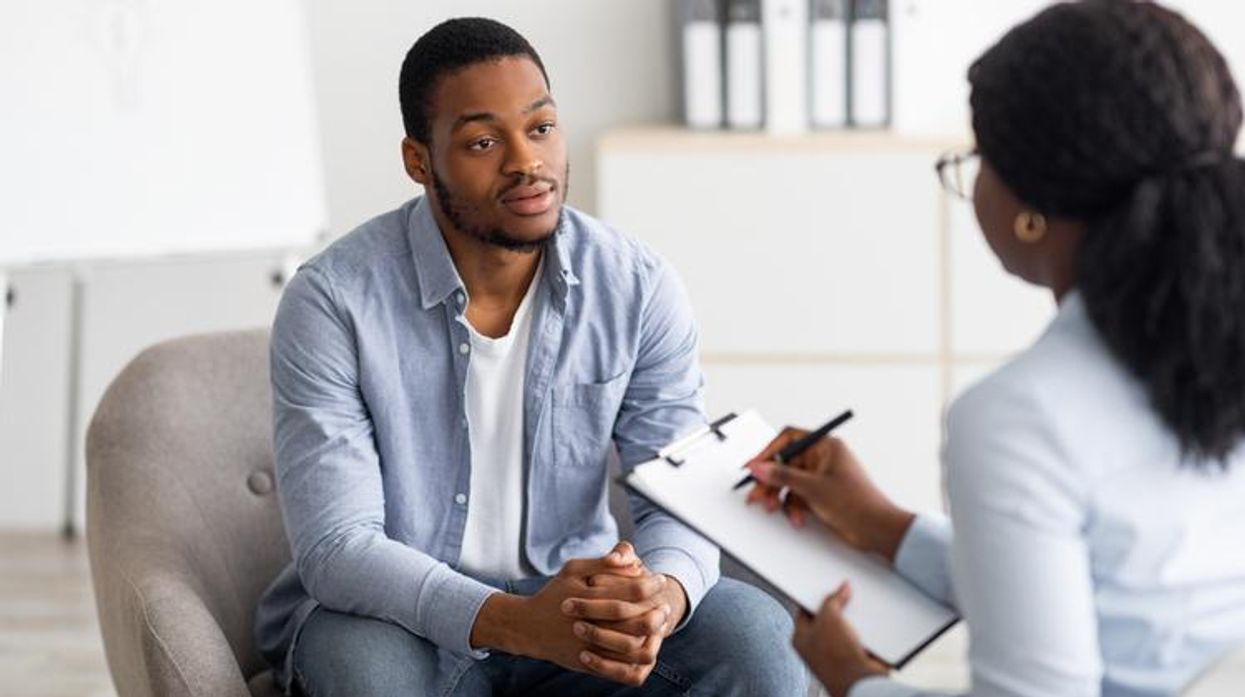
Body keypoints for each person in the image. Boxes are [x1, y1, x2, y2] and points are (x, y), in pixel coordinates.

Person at [252, 16, 805, 697]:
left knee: (754, 639)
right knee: (365, 673)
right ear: (419, 160)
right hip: (403, 618)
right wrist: (513, 621)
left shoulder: (636, 285)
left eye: (540, 127)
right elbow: (339, 548)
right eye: (483, 140)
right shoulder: (332, 300)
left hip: (574, 603)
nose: (525, 161)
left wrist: (660, 594)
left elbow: (680, 497)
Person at [745, 1, 1245, 695]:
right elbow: (1113, 602)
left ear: (1030, 210)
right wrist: (879, 523)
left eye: (978, 157)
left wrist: (851, 679)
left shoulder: (1019, 417)